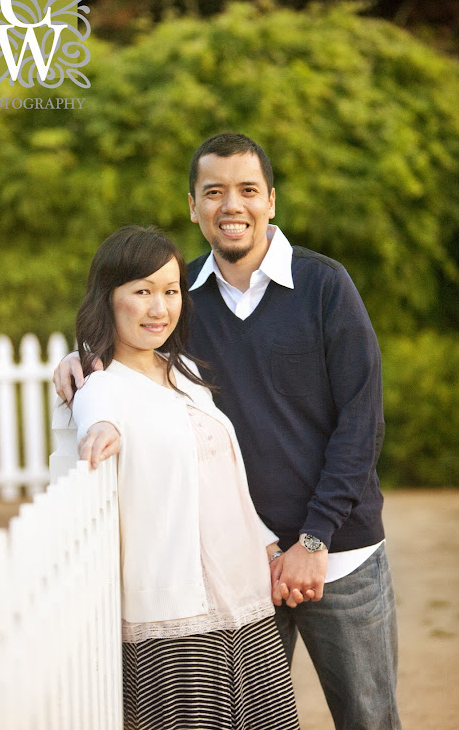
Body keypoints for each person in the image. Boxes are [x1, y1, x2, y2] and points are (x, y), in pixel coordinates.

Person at [55, 134, 401, 730]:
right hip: (245, 572)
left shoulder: (324, 286)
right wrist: (79, 357)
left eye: (247, 190)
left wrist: (314, 540)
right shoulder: (179, 297)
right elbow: (132, 349)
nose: (231, 205)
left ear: (271, 200)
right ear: (193, 207)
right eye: (214, 192)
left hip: (338, 557)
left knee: (370, 721)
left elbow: (361, 421)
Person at [70, 225, 301, 730]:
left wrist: (270, 552)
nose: (160, 308)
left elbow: (227, 487)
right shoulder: (102, 384)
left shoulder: (185, 375)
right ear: (108, 298)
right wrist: (100, 425)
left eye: (170, 291)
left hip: (244, 604)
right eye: (142, 292)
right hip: (175, 618)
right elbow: (97, 407)